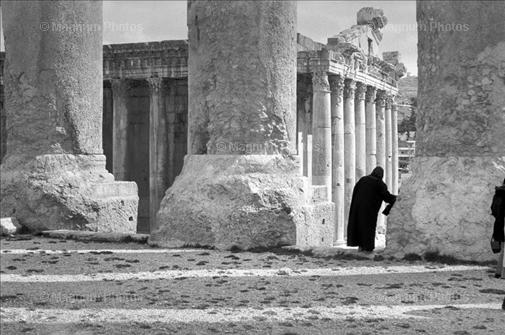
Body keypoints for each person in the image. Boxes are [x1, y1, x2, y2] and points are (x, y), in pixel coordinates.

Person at [347, 166, 397, 252]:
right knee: (368, 228)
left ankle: (360, 246)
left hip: (357, 208)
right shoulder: (380, 184)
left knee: (359, 226)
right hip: (369, 211)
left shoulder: (363, 180)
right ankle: (367, 248)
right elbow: (387, 197)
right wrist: (397, 198)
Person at [491, 178, 505, 279]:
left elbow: (493, 209)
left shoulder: (499, 192)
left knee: (503, 249)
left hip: (500, 223)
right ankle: (502, 273)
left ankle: (499, 272)